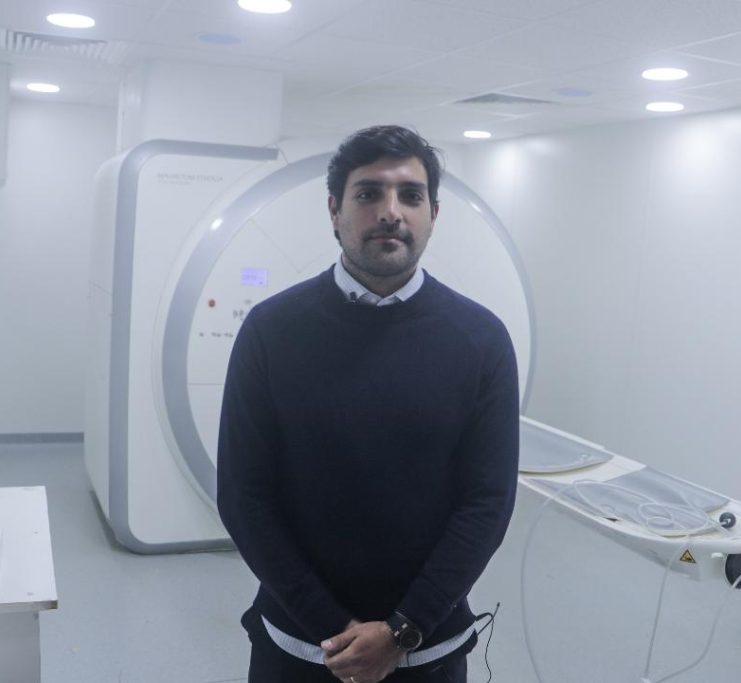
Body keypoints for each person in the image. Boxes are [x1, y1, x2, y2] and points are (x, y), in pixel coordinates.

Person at [217, 125, 519, 683]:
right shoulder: (271, 331)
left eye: (411, 195)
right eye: (368, 193)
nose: (390, 211)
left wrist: (404, 630)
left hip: (425, 650)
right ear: (335, 210)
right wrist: (334, 629)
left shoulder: (481, 340)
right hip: (300, 647)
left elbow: (487, 503)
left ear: (433, 214)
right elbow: (244, 496)